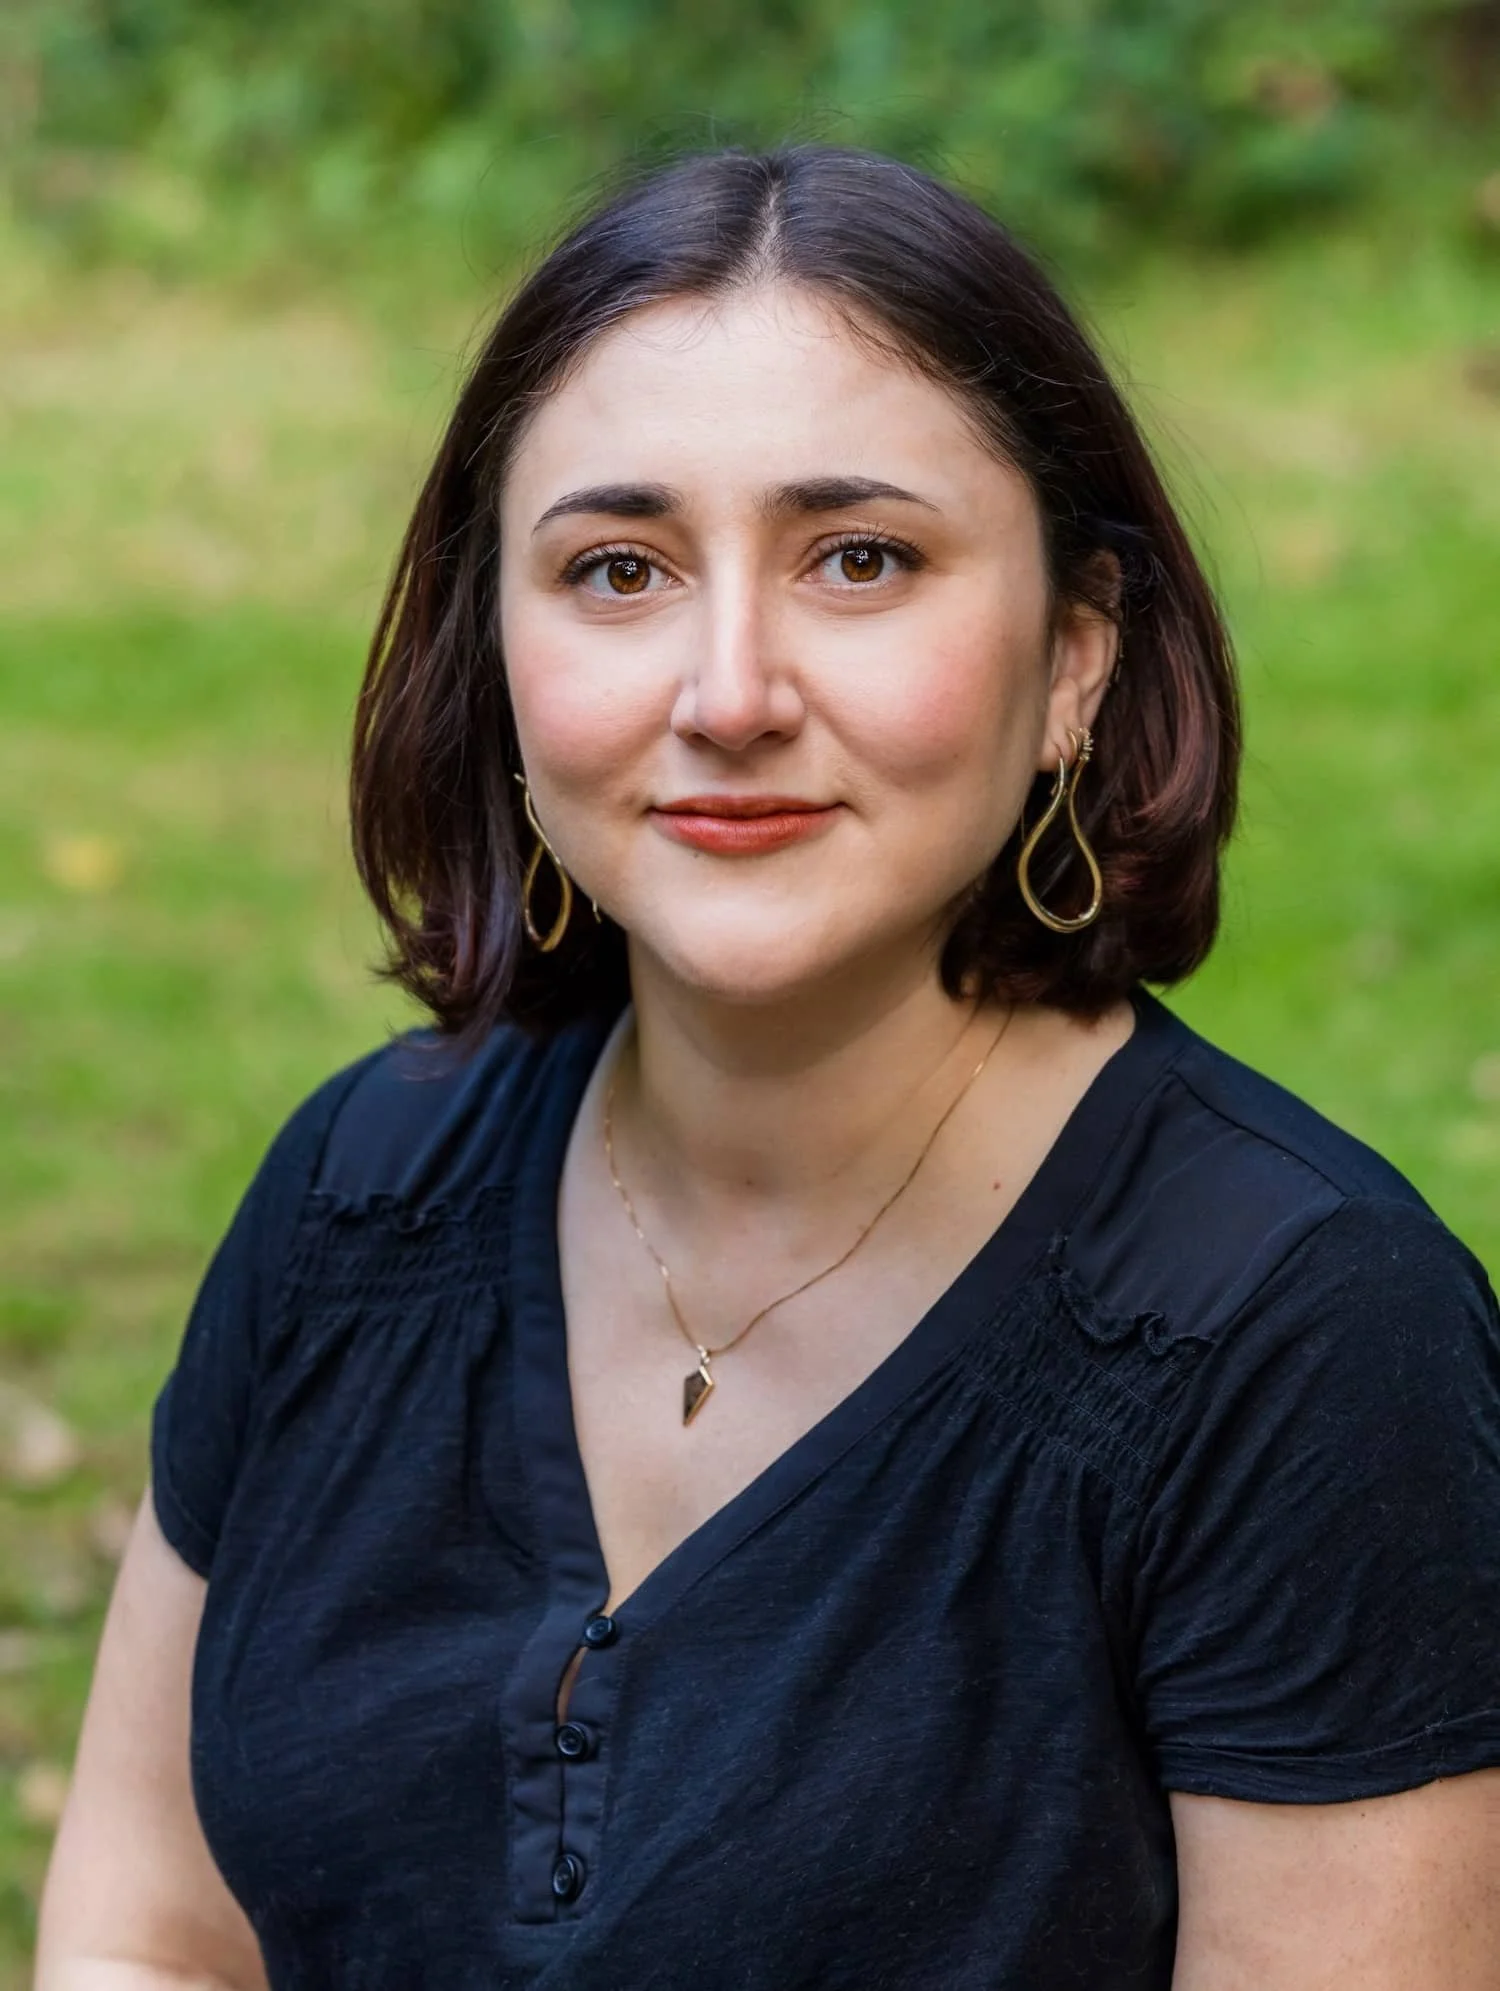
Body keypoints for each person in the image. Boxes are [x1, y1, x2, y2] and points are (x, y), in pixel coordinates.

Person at [35, 146, 1500, 1991]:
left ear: (1073, 658)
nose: (728, 693)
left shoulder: (1298, 1339)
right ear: (497, 657)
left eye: (860, 557)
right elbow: (152, 1942)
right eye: (619, 568)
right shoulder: (355, 1191)